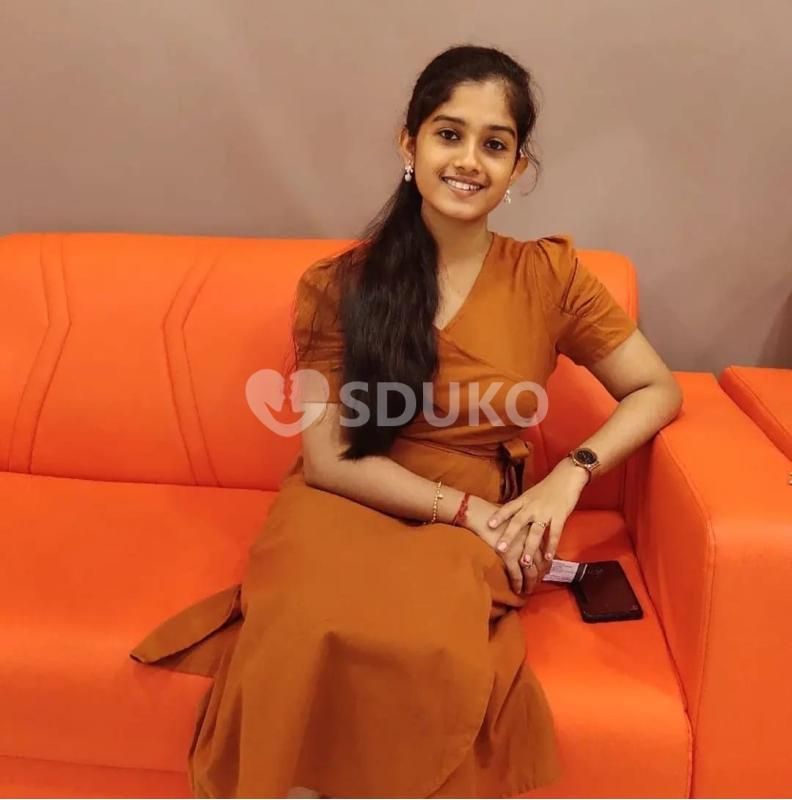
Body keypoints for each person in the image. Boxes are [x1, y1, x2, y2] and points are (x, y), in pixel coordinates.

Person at [130, 44, 682, 798]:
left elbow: (656, 388)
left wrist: (568, 477)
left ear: (518, 167)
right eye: (449, 134)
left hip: (480, 511)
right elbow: (328, 458)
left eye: (495, 144)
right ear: (409, 144)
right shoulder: (340, 285)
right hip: (352, 493)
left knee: (422, 637)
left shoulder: (549, 277)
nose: (469, 161)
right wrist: (465, 512)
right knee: (301, 615)